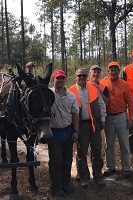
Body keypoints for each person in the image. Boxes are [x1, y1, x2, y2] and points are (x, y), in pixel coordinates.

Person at [68, 68, 106, 188]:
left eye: (84, 75)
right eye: (80, 75)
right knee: (82, 153)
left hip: (94, 123)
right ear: (76, 77)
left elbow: (101, 105)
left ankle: (98, 176)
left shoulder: (93, 88)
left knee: (97, 151)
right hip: (80, 125)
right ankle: (84, 178)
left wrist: (103, 119)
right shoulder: (70, 91)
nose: (82, 77)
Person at [100, 61, 133, 179]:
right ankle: (110, 167)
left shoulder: (125, 84)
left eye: (116, 70)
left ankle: (126, 168)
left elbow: (131, 102)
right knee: (109, 144)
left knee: (124, 144)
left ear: (119, 71)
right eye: (111, 70)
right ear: (108, 71)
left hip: (121, 117)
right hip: (108, 117)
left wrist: (131, 118)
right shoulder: (103, 83)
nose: (113, 72)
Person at [48, 69, 80, 197]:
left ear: (65, 79)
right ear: (53, 79)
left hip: (68, 132)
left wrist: (76, 131)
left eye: (62, 78)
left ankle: (66, 183)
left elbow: (75, 114)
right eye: (57, 78)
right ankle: (56, 187)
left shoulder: (71, 96)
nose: (60, 80)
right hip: (53, 133)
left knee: (67, 160)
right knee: (56, 160)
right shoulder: (48, 94)